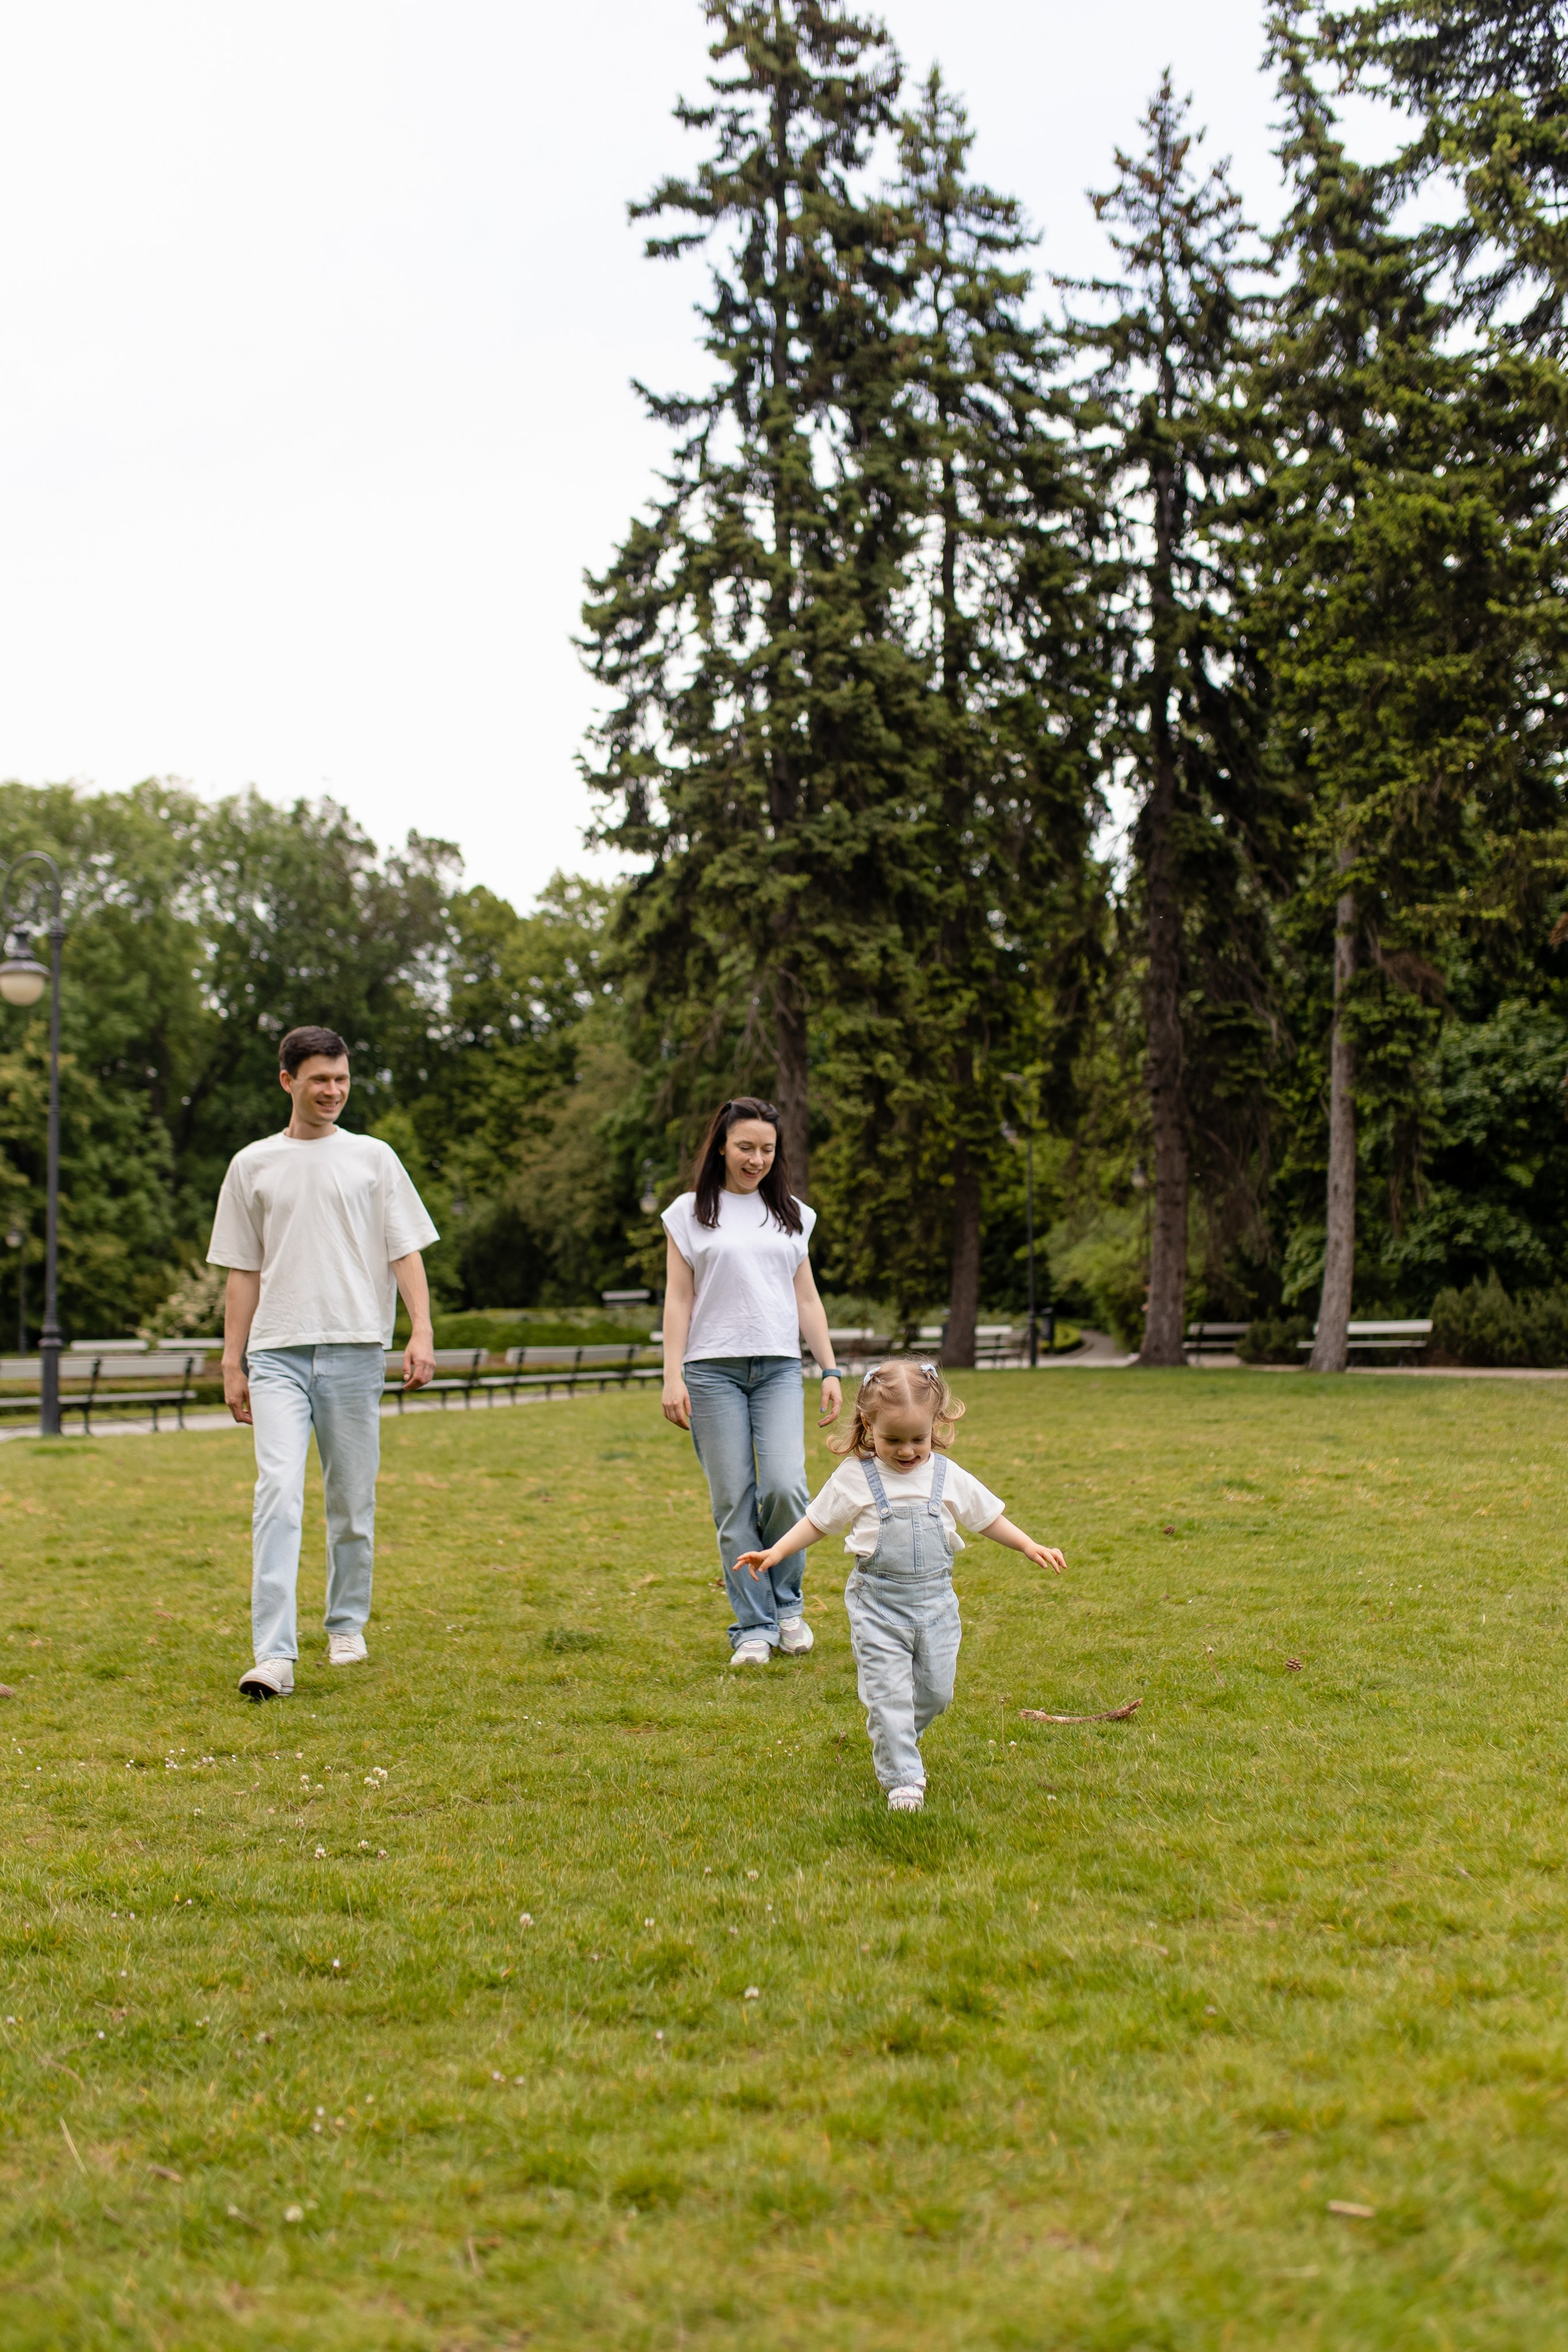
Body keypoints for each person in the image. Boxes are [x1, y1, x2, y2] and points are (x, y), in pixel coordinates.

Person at [206, 1025, 439, 1700]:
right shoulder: (252, 1165)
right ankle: (273, 1656)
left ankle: (345, 1623)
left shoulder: (374, 1158)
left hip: (355, 1349)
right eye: (319, 1080)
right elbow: (242, 1272)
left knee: (351, 1501)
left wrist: (420, 1330)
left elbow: (406, 1252)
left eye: (341, 1078)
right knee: (277, 1494)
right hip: (276, 1354)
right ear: (288, 1082)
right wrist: (231, 1361)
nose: (332, 1091)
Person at [736, 1359, 1066, 1809]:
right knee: (889, 1693)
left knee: (936, 1692)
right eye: (894, 1440)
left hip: (936, 1606)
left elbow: (987, 1517)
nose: (908, 1451)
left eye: (919, 1439)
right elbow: (816, 1521)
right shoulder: (856, 1478)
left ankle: (896, 1734)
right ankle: (904, 1779)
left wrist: (1029, 1545)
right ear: (869, 1426)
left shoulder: (947, 1475)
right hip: (877, 1607)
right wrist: (776, 1552)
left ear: (937, 1425)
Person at [660, 1096, 846, 1665]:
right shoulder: (689, 1212)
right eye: (746, 1147)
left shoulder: (792, 1213)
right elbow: (679, 1298)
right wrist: (672, 1375)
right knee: (734, 1502)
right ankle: (755, 1628)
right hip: (711, 1371)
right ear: (721, 1145)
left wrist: (831, 1368)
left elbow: (807, 1298)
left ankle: (787, 1607)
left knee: (786, 1487)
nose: (757, 1159)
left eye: (767, 1149)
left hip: (779, 1369)